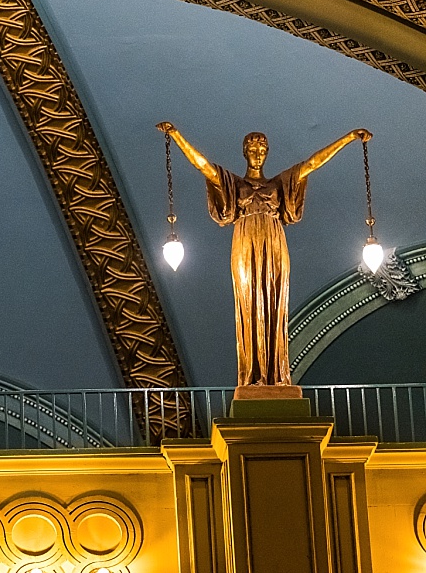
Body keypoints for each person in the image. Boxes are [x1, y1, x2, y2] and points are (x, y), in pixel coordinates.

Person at [156, 123, 370, 388]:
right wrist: (176, 136)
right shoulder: (233, 183)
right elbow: (203, 165)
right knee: (248, 301)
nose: (258, 152)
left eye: (262, 148)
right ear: (244, 152)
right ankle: (251, 375)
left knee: (275, 300)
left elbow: (313, 163)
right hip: (245, 242)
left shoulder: (279, 183)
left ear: (267, 152)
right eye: (253, 147)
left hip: (274, 241)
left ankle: (277, 375)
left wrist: (348, 138)